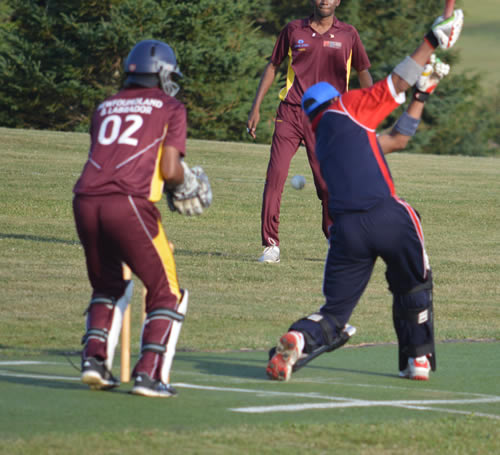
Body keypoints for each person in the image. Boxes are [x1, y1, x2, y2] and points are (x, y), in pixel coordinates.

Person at [266, 9, 464, 381]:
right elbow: (396, 83)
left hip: (347, 233)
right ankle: (417, 359)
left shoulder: (325, 138)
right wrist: (431, 42)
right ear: (336, 98)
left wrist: (421, 94)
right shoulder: (349, 106)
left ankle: (300, 336)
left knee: (336, 313)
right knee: (414, 284)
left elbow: (397, 139)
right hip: (388, 217)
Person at [73, 39, 212, 398]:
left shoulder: (104, 106)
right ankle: (149, 374)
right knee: (168, 292)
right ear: (163, 73)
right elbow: (167, 168)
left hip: (85, 201)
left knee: (107, 285)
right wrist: (186, 183)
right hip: (130, 204)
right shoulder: (170, 106)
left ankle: (93, 360)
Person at [247, 0, 373, 264]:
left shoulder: (348, 34)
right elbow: (273, 66)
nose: (325, 0)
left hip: (328, 119)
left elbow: (363, 71)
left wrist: (365, 111)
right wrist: (256, 107)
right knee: (275, 177)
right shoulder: (294, 30)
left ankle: (334, 240)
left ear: (338, 1)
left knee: (327, 185)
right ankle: (271, 245)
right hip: (291, 113)